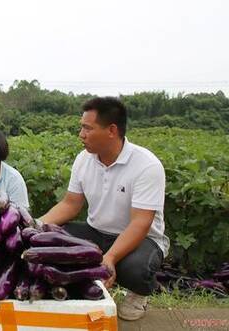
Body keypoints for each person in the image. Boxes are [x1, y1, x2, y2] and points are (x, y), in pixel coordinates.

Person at [39, 97, 168, 321]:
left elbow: (140, 222)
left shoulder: (147, 165)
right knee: (48, 240)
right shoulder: (83, 159)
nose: (81, 134)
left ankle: (139, 293)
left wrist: (109, 257)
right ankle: (84, 284)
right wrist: (35, 225)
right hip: (96, 231)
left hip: (141, 239)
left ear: (112, 130)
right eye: (81, 127)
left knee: (135, 269)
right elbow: (70, 204)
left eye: (88, 128)